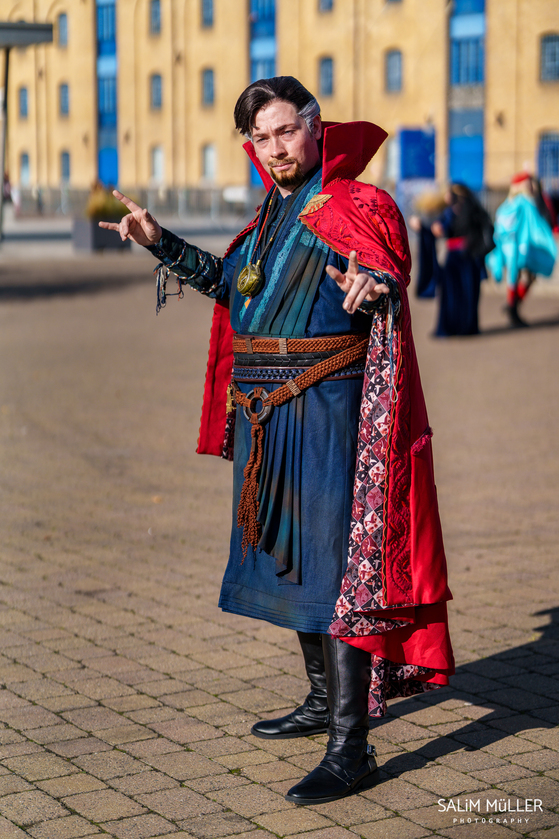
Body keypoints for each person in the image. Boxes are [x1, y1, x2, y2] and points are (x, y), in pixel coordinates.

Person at [100, 76, 454, 805]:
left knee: (334, 574)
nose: (273, 147)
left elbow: (385, 268)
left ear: (315, 126)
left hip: (328, 409)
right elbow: (232, 286)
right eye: (259, 138)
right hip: (269, 416)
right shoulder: (270, 212)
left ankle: (351, 747)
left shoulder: (359, 201)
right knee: (289, 562)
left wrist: (374, 286)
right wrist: (157, 241)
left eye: (284, 131)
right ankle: (323, 701)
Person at [486, 172, 557, 328]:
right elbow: (537, 227)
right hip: (522, 247)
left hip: (509, 248)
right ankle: (513, 307)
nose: (532, 186)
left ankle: (513, 306)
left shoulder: (507, 204)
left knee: (517, 278)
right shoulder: (526, 202)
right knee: (525, 277)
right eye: (529, 183)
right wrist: (548, 241)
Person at [429, 183, 494, 337]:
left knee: (468, 293)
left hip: (469, 259)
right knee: (451, 295)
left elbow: (486, 229)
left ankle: (466, 327)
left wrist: (473, 245)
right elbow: (441, 227)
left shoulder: (472, 210)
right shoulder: (449, 212)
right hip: (454, 259)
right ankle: (454, 327)